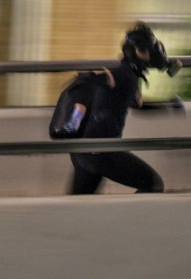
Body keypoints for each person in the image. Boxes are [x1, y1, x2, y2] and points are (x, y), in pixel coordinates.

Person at [56, 22, 183, 195]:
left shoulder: (125, 72)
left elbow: (135, 104)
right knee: (153, 184)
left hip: (84, 151)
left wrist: (165, 105)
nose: (153, 54)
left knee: (78, 207)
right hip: (102, 150)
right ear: (138, 51)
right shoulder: (127, 75)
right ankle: (130, 222)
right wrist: (168, 106)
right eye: (149, 50)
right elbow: (132, 100)